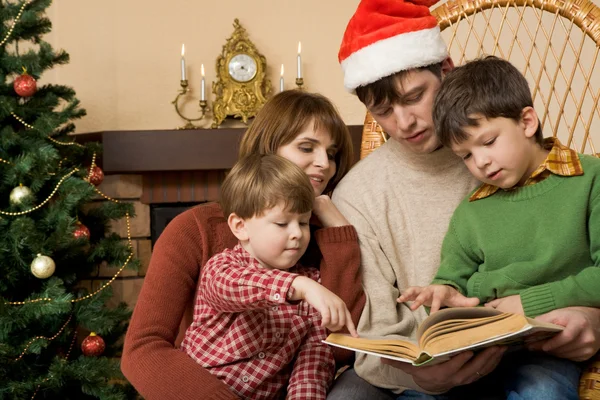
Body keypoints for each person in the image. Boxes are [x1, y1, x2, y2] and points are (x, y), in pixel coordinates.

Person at [329, 0, 600, 398]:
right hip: (423, 372)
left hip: (531, 353)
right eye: (383, 111)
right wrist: (421, 373)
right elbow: (376, 337)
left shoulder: (518, 154)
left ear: (446, 71)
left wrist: (593, 318)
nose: (404, 123)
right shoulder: (359, 195)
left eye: (414, 96)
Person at [121, 90, 366, 400]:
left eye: (331, 154)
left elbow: (337, 346)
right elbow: (144, 349)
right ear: (268, 148)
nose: (324, 164)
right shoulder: (194, 229)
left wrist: (339, 233)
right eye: (307, 147)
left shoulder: (315, 237)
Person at [397, 55, 600, 399]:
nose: (481, 162)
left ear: (527, 121)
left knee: (542, 392)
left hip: (545, 350)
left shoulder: (589, 180)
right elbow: (454, 277)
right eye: (465, 156)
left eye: (488, 142)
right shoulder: (471, 212)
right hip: (478, 351)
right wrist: (442, 292)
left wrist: (529, 303)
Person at [180, 153, 358, 399]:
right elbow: (230, 287)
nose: (297, 233)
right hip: (201, 391)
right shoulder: (222, 266)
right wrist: (298, 285)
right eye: (282, 224)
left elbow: (313, 360)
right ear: (240, 226)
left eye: (304, 223)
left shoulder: (313, 285)